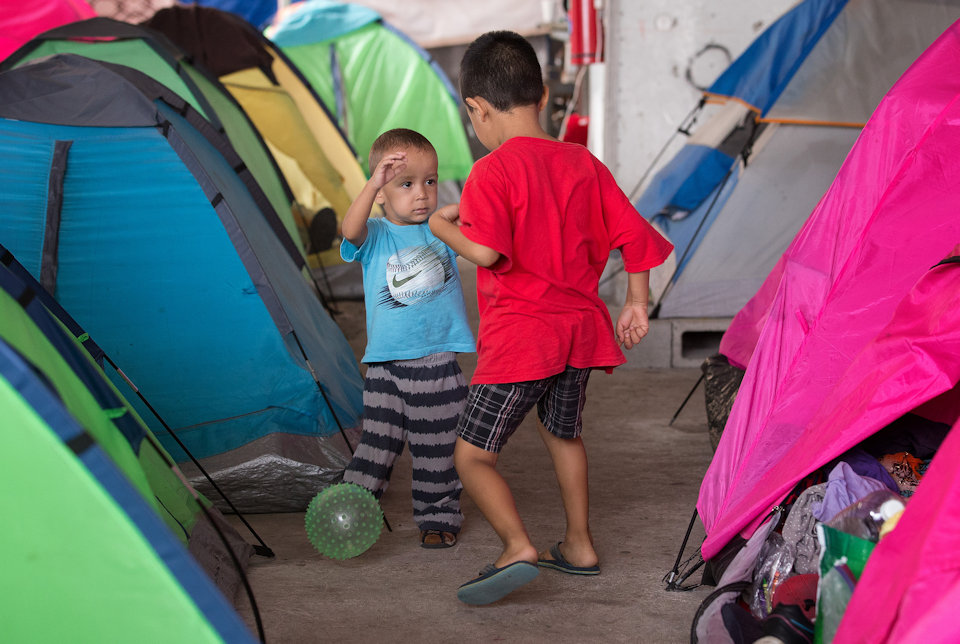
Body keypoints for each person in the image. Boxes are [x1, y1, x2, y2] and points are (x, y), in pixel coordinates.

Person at [429, 31, 674, 604]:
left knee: (471, 455)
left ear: (477, 110)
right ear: (541, 97)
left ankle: (517, 543)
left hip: (523, 339)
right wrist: (635, 301)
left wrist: (443, 228)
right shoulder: (582, 162)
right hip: (580, 335)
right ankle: (580, 544)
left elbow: (487, 253)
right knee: (564, 434)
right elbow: (634, 236)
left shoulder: (491, 171)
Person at [340, 128, 476, 549]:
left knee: (437, 453)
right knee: (375, 450)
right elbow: (350, 229)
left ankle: (438, 517)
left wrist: (464, 210)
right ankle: (350, 514)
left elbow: (480, 231)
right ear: (382, 192)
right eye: (406, 184)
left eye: (429, 181)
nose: (422, 194)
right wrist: (372, 183)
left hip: (437, 366)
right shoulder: (376, 234)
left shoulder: (441, 229)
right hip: (385, 369)